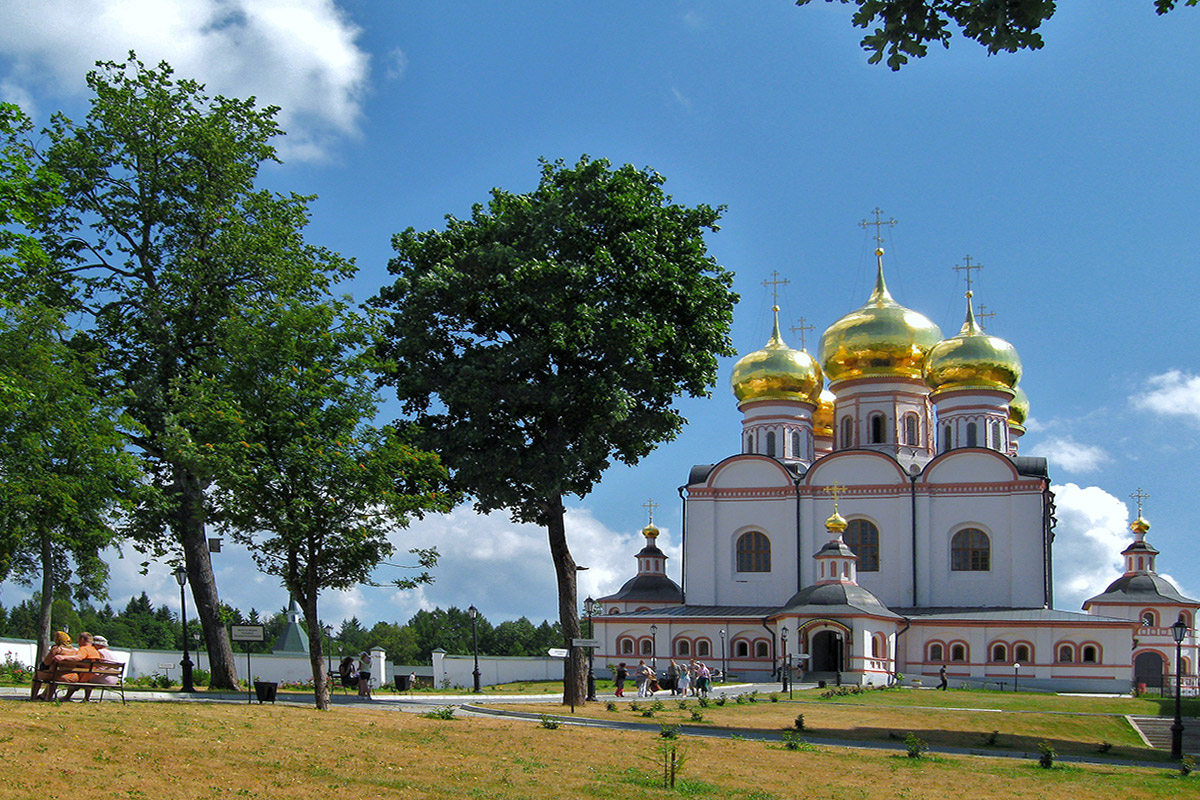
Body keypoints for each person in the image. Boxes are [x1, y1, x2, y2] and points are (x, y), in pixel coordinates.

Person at [41, 632, 102, 700]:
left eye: (78, 640)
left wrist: (63, 657)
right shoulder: (94, 650)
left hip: (80, 676)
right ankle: (82, 698)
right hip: (90, 675)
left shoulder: (84, 649)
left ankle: (46, 696)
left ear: (82, 639)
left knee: (55, 675)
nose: (77, 642)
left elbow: (79, 657)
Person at [65, 634, 119, 702]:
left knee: (83, 677)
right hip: (113, 678)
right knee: (87, 675)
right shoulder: (111, 653)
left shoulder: (99, 652)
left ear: (98, 645)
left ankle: (68, 697)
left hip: (104, 678)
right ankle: (85, 698)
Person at [31, 631, 76, 701]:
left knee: (37, 675)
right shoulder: (74, 651)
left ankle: (33, 697)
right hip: (71, 676)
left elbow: (47, 662)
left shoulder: (57, 649)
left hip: (56, 675)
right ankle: (46, 697)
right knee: (54, 676)